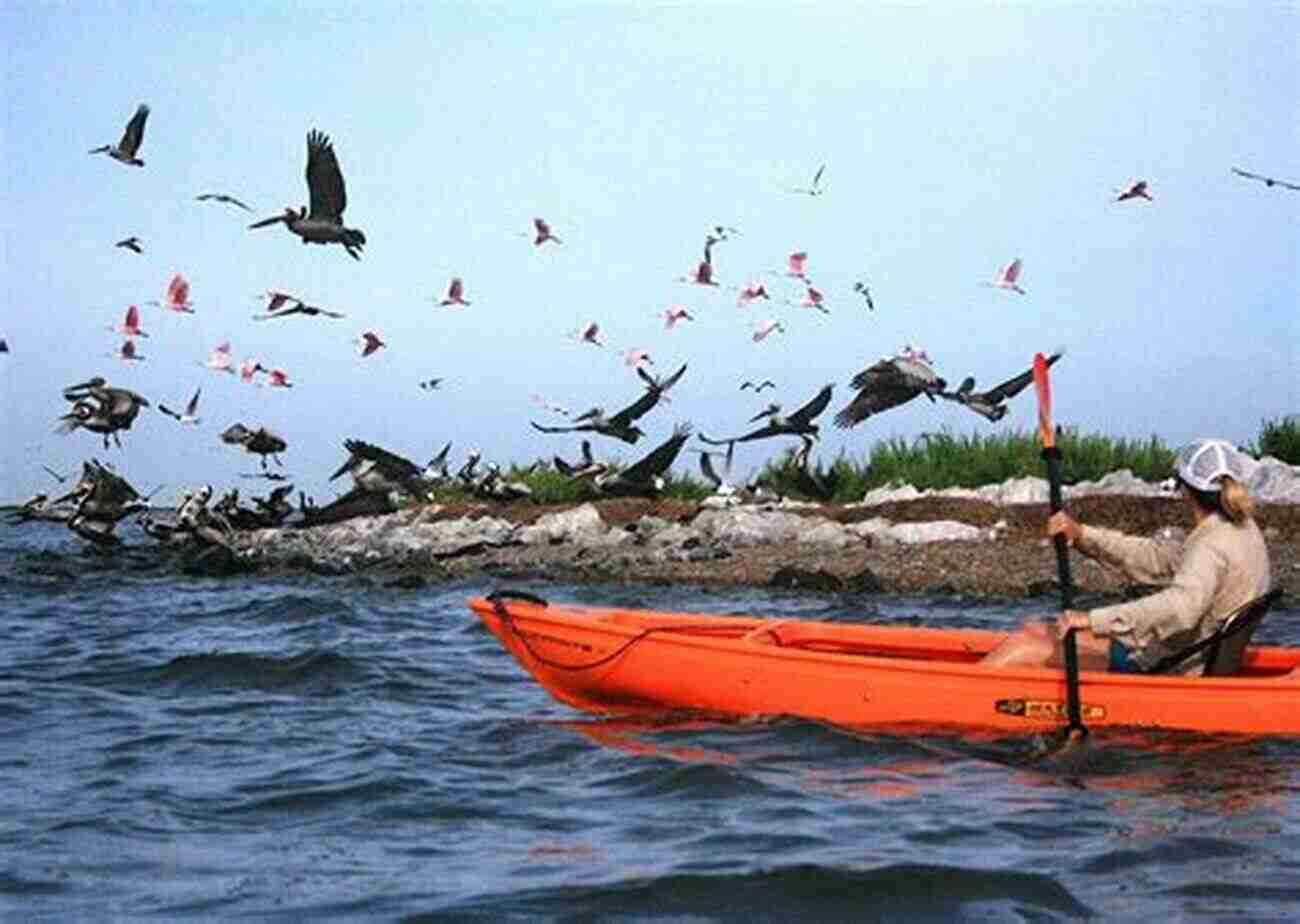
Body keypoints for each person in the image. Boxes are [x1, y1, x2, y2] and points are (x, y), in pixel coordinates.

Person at [981, 438, 1271, 675]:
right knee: (1034, 630)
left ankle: (959, 699)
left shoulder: (1212, 545)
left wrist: (1093, 619)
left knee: (1022, 648)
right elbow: (1156, 560)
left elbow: (1182, 608)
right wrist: (1082, 534)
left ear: (1185, 490)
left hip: (1171, 667)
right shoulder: (1239, 529)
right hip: (1179, 652)